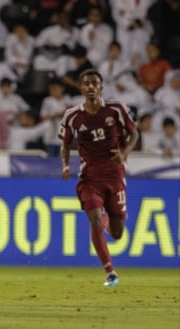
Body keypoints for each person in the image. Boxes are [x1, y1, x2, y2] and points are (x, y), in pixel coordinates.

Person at [59, 69, 138, 287]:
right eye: (86, 83)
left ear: (101, 86)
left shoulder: (116, 109)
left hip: (115, 175)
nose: (91, 86)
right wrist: (65, 165)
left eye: (95, 83)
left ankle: (106, 220)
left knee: (118, 233)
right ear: (81, 88)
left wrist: (124, 153)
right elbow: (64, 144)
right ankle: (110, 272)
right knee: (92, 218)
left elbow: (134, 134)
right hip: (90, 177)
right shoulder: (72, 116)